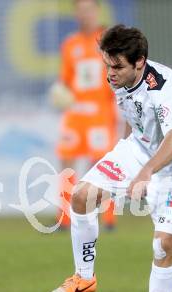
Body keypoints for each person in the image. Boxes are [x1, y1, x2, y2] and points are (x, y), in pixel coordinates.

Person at [48, 24, 172, 292]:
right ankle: (84, 277)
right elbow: (133, 117)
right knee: (81, 196)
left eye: (117, 66)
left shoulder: (163, 87)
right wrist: (122, 156)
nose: (110, 73)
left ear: (140, 62)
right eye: (107, 65)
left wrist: (144, 173)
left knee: (162, 246)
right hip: (140, 148)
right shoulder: (120, 78)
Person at [51, 0, 117, 230]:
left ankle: (107, 218)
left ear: (97, 11)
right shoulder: (70, 44)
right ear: (75, 14)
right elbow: (66, 80)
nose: (85, 15)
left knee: (102, 165)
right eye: (80, 10)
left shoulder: (109, 41)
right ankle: (65, 217)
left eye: (89, 10)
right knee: (66, 161)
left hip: (100, 113)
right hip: (75, 114)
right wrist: (60, 93)